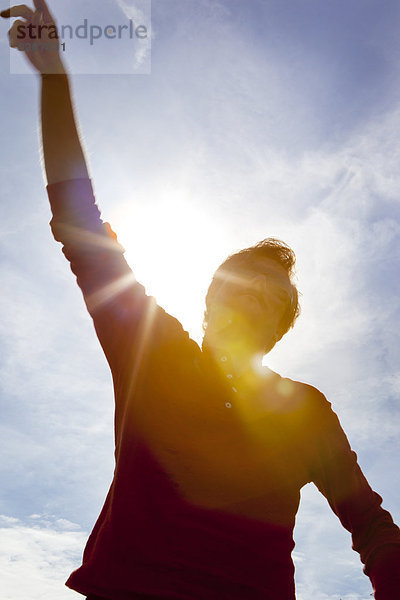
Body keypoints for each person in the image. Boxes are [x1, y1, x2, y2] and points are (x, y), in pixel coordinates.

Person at [2, 2, 400, 599]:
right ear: (211, 297)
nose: (263, 291)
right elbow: (79, 223)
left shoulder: (308, 413)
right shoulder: (152, 350)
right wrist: (53, 75)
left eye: (279, 292)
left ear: (284, 325)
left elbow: (371, 525)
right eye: (248, 278)